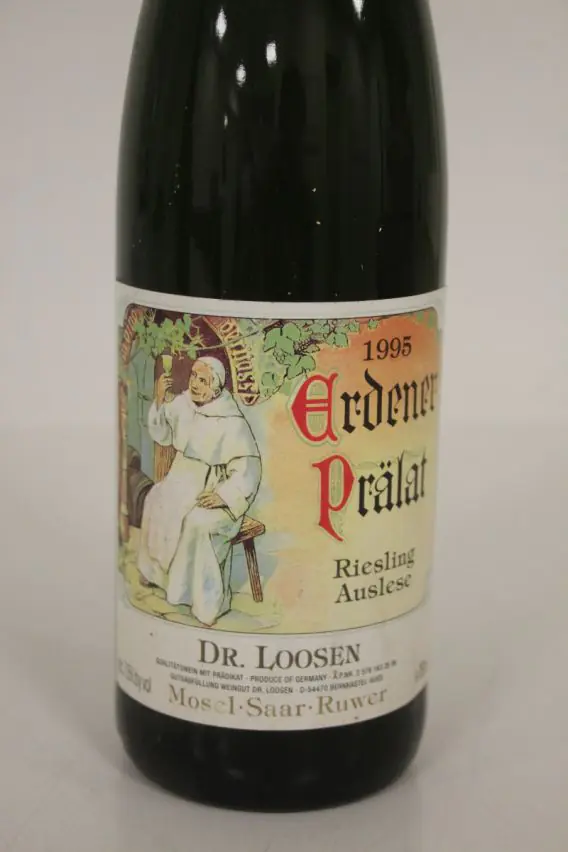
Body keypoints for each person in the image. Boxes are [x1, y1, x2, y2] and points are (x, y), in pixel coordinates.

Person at [137, 356, 262, 626]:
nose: (194, 383)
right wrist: (159, 400)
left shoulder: (231, 420)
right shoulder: (184, 404)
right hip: (181, 480)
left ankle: (205, 603)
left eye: (203, 380)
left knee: (197, 523)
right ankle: (158, 576)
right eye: (194, 376)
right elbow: (162, 435)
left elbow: (248, 468)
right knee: (155, 498)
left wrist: (223, 496)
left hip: (212, 489)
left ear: (215, 388)